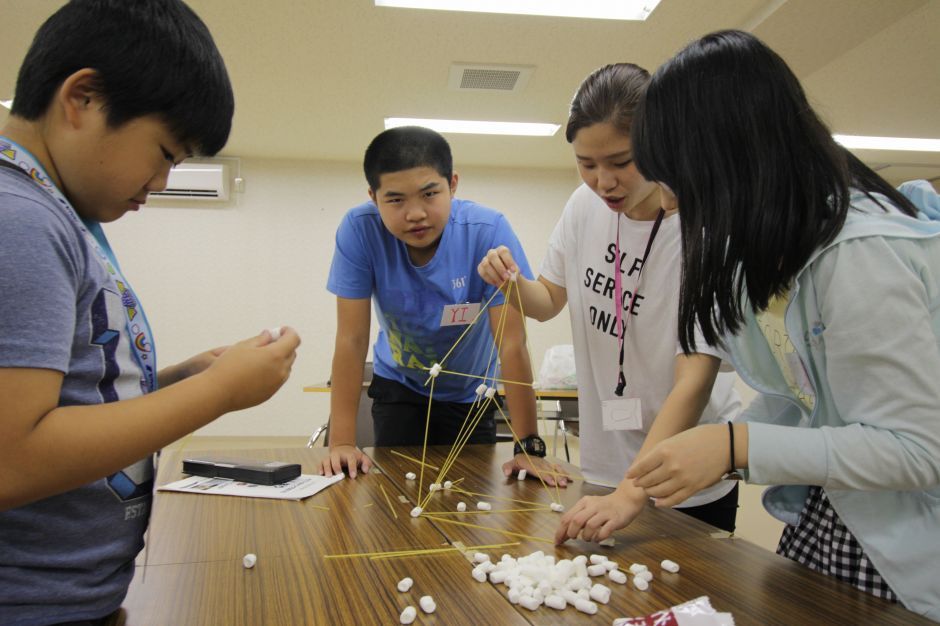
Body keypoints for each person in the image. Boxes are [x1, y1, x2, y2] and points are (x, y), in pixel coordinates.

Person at [0, 1, 301, 623]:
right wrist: (217, 393)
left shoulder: (52, 213)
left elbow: (58, 401)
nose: (162, 181)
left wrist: (176, 379)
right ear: (82, 98)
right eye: (165, 152)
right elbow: (13, 456)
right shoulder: (21, 219)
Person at [627, 30, 940, 618]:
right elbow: (805, 399)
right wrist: (648, 482)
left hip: (909, 542)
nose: (668, 205)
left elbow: (916, 449)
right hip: (834, 514)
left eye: (675, 181)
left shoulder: (860, 252)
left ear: (728, 161)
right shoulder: (773, 252)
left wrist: (732, 443)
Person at [477, 63, 741, 544]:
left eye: (621, 162)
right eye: (587, 163)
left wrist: (633, 490)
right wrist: (510, 281)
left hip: (683, 475)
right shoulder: (583, 206)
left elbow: (696, 379)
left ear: (662, 141)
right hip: (605, 463)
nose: (604, 182)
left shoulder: (702, 228)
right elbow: (547, 302)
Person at [319, 126, 561, 485]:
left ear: (453, 184)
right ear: (373, 197)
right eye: (396, 200)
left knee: (466, 499)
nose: (415, 213)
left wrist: (528, 446)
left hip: (470, 393)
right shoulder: (359, 230)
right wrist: (340, 441)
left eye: (430, 193)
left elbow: (511, 342)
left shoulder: (487, 230)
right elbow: (351, 340)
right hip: (399, 386)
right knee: (398, 498)